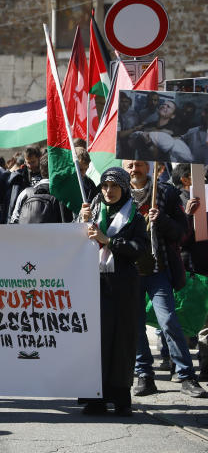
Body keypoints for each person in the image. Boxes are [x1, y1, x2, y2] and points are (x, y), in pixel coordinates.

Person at [122, 159, 208, 398]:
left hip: (158, 270)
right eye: (129, 165)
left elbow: (182, 233)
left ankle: (187, 377)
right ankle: (144, 376)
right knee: (136, 326)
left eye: (138, 165)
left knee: (169, 321)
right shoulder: (116, 192)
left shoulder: (166, 192)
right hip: (129, 272)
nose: (133, 170)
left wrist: (162, 220)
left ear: (148, 167)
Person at [78, 167, 147, 416]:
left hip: (123, 286)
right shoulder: (91, 211)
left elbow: (140, 248)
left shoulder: (135, 216)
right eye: (105, 186)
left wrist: (110, 241)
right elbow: (75, 243)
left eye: (114, 186)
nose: (108, 191)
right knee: (95, 340)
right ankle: (94, 397)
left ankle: (120, 397)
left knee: (121, 340)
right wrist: (80, 220)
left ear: (124, 188)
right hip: (93, 283)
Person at [9, 155, 73, 224]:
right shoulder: (64, 196)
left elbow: (14, 221)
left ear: (41, 170)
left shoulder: (25, 193)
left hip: (26, 234)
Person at [4, 146, 42, 220]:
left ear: (39, 159)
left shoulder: (45, 174)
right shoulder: (20, 176)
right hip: (24, 214)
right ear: (25, 161)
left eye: (33, 162)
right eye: (28, 162)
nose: (30, 166)